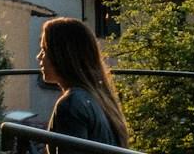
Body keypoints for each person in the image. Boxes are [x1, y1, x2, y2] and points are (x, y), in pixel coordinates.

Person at [37, 17, 129, 150]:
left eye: (44, 50)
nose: (39, 57)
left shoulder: (71, 104)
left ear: (62, 55)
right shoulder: (100, 98)